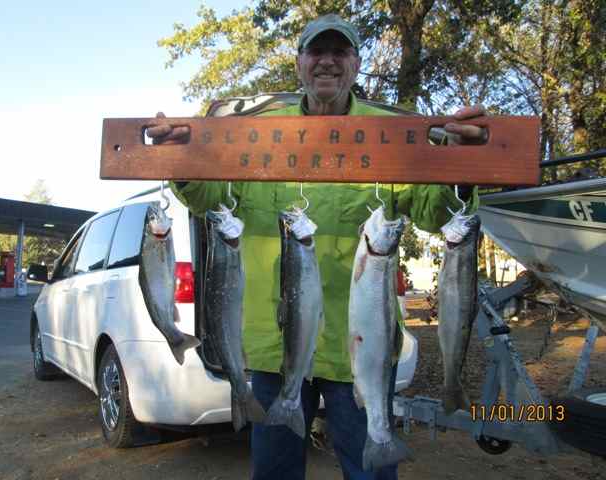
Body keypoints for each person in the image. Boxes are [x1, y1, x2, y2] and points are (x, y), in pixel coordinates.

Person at [148, 13, 484, 480]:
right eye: (316, 52)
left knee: (368, 470)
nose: (327, 61)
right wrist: (180, 163)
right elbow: (212, 197)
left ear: (356, 64)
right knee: (275, 471)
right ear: (300, 63)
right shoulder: (256, 131)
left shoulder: (393, 132)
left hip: (360, 344)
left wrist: (462, 171)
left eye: (339, 52)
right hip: (275, 342)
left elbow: (432, 210)